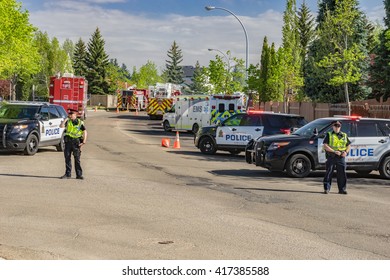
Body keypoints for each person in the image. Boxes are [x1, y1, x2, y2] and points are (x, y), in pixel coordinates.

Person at [322, 120, 351, 194]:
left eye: (338, 126)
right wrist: (334, 151)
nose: (337, 127)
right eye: (335, 126)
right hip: (331, 156)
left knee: (342, 174)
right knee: (329, 173)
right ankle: (327, 189)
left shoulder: (344, 135)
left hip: (341, 157)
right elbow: (325, 146)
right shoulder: (329, 135)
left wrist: (346, 152)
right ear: (333, 127)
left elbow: (348, 145)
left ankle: (342, 189)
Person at [60, 109, 87, 179]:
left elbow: (85, 131)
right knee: (67, 158)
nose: (70, 116)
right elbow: (61, 126)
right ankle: (68, 174)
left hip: (76, 142)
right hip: (68, 142)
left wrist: (84, 141)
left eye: (72, 114)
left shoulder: (80, 123)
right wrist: (66, 119)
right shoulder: (68, 122)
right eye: (69, 114)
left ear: (75, 115)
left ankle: (79, 175)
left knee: (77, 159)